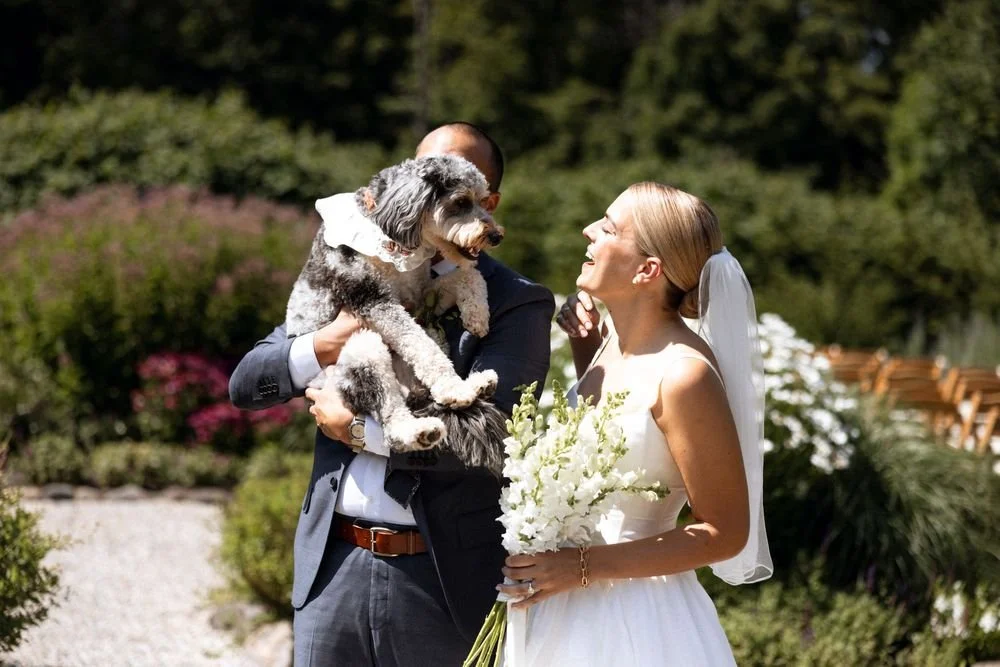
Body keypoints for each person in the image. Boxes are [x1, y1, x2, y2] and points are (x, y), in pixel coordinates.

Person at [228, 122, 555, 667]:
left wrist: (360, 432)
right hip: (332, 566)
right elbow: (247, 381)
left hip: (439, 578)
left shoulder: (516, 301)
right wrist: (328, 341)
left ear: (486, 199)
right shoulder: (353, 257)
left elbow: (493, 436)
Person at [498, 182, 772, 665]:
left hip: (635, 620)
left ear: (647, 269)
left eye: (607, 227)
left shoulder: (685, 374)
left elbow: (725, 532)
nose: (588, 231)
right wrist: (588, 350)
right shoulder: (607, 346)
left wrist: (579, 567)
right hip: (558, 607)